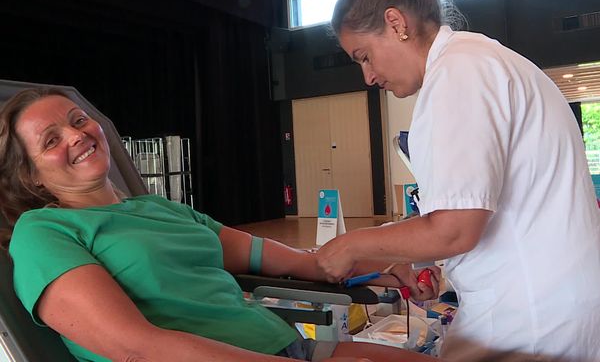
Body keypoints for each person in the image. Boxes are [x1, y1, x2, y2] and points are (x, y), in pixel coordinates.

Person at [0, 87, 441, 362]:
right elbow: (136, 348)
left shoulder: (162, 210)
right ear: (30, 175)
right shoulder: (43, 232)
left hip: (285, 346)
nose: (76, 135)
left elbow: (309, 262)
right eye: (51, 140)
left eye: (78, 120)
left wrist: (389, 265)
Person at [316, 0, 600, 361]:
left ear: (396, 22)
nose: (368, 76)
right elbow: (494, 211)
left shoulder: (457, 73)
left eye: (364, 56)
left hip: (529, 318)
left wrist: (352, 243)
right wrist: (431, 265)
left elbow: (454, 229)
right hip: (557, 300)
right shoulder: (479, 58)